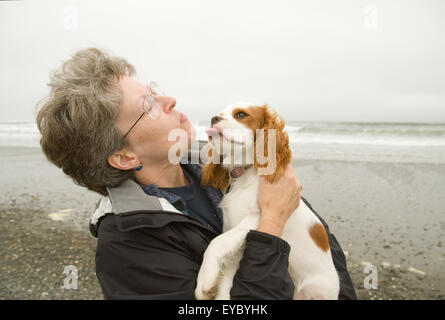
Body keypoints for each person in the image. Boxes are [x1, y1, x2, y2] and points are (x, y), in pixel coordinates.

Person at [36, 47, 357, 300]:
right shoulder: (128, 249)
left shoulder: (233, 162)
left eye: (155, 90)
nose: (170, 99)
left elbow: (321, 248)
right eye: (148, 105)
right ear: (124, 155)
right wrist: (270, 223)